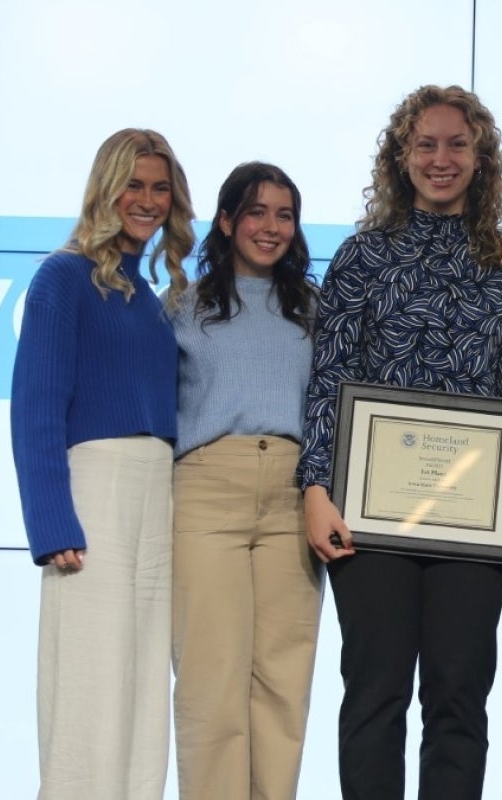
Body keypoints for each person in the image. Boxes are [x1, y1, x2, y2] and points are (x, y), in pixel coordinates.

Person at [298, 84, 502, 800]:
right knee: (375, 694)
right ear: (401, 156)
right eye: (426, 144)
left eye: (457, 144)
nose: (441, 159)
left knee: (458, 697)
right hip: (366, 515)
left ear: (481, 158)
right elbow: (329, 378)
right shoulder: (361, 256)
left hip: (476, 520)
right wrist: (315, 488)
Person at [10, 128, 195, 800]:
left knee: (144, 685)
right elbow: (36, 406)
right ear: (105, 188)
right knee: (90, 684)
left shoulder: (149, 296)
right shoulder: (63, 276)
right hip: (95, 495)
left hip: (155, 497)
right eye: (134, 184)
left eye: (158, 187)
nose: (146, 200)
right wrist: (53, 521)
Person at [168, 162, 324, 800]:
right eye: (256, 212)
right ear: (227, 221)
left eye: (284, 214)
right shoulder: (184, 305)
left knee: (284, 681)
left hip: (294, 493)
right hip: (208, 487)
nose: (271, 227)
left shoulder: (313, 307)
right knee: (212, 677)